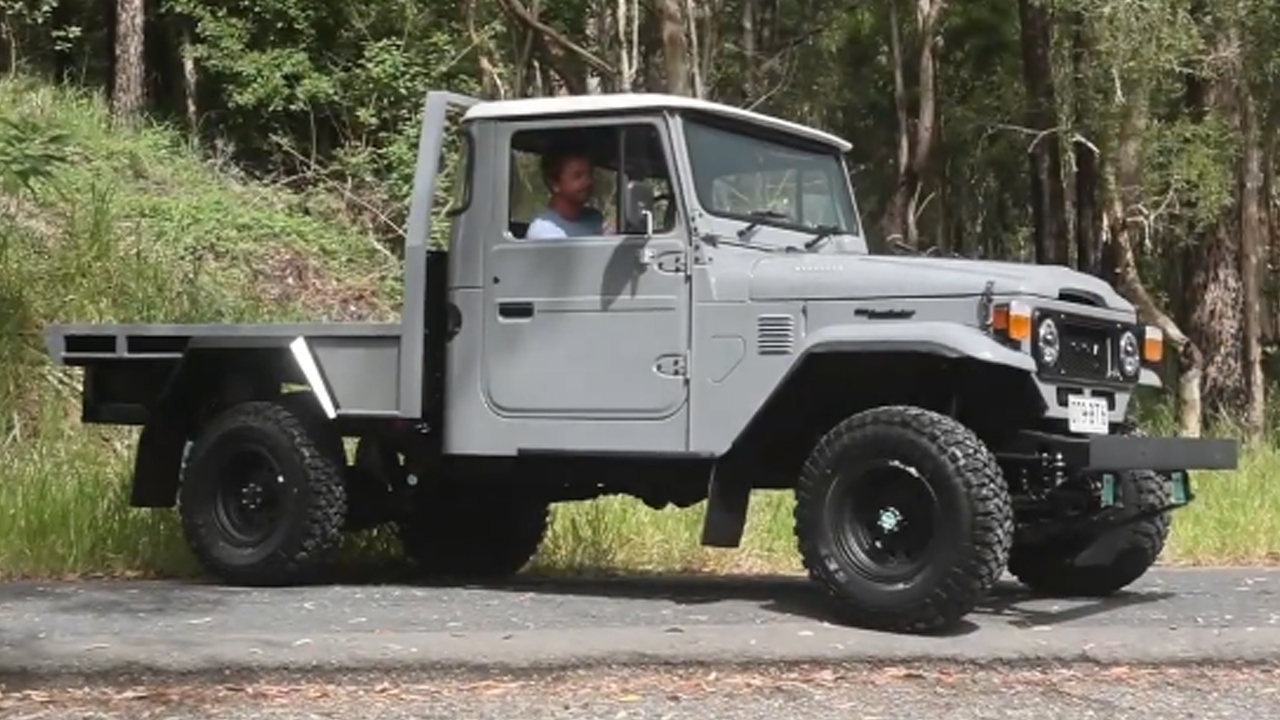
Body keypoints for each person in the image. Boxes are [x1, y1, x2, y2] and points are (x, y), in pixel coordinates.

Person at [525, 147, 606, 239]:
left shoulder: (595, 218)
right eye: (578, 176)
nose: (588, 181)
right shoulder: (544, 230)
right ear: (554, 184)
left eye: (590, 173)